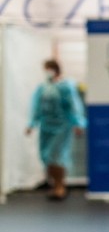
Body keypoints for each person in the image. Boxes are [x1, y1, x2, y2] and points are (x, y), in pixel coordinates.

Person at [26, 59, 86, 201]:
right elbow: (36, 107)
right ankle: (54, 185)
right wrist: (32, 124)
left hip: (61, 126)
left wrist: (78, 123)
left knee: (57, 156)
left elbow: (73, 106)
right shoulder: (43, 87)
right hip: (46, 126)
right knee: (47, 156)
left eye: (48, 69)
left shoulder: (65, 86)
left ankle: (60, 186)